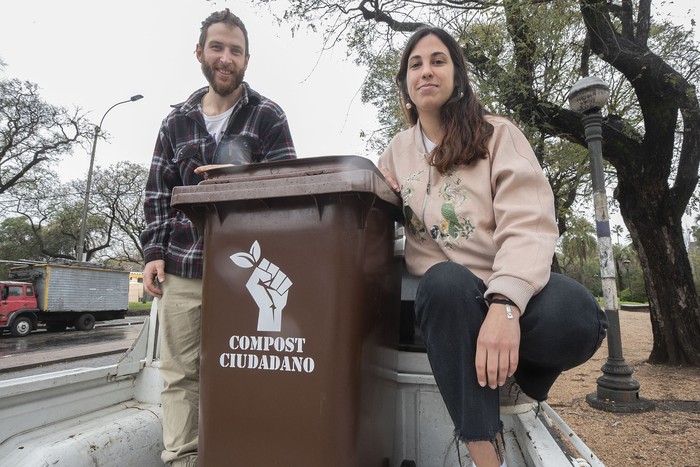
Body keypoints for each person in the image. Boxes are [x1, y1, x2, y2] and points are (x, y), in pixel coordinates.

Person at [378, 27, 608, 467]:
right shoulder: (396, 152)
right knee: (441, 282)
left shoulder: (497, 134)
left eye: (438, 60)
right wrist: (380, 188)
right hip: (451, 302)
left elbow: (529, 221)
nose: (426, 70)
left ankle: (518, 384)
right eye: (415, 64)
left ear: (457, 76)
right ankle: (487, 456)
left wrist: (505, 304)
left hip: (508, 292)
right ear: (406, 83)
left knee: (580, 316)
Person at [140, 9, 296, 467]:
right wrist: (154, 252)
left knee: (252, 364)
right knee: (179, 374)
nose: (225, 58)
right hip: (183, 266)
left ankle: (249, 453)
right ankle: (182, 458)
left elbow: (288, 193)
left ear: (247, 60)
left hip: (244, 274)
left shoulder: (267, 116)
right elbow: (157, 192)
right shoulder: (176, 123)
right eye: (217, 48)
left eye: (235, 50)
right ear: (200, 53)